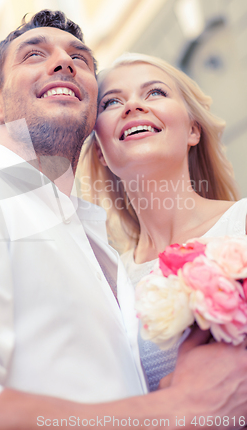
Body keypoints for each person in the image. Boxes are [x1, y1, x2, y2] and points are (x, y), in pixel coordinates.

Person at [0, 12, 247, 430]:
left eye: (80, 59)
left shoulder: (98, 248)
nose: (63, 62)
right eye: (34, 54)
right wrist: (178, 411)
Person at [82, 52, 247, 391]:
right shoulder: (111, 284)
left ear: (193, 130)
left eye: (155, 92)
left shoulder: (242, 225)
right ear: (101, 151)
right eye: (111, 102)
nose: (133, 106)